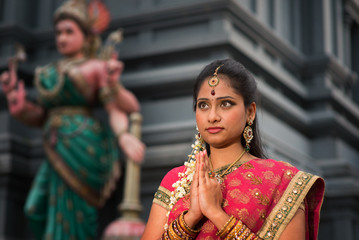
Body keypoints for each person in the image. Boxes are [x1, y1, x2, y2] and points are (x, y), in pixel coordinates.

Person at [0, 0, 145, 239]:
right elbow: (40, 116)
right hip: (54, 148)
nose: (62, 38)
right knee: (34, 208)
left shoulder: (97, 67)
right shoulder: (49, 72)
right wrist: (19, 106)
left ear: (87, 37)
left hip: (84, 148)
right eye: (58, 32)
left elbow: (118, 107)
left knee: (78, 215)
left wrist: (123, 136)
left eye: (69, 32)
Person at [141, 59, 325, 240]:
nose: (212, 116)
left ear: (250, 112)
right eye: (203, 105)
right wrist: (190, 218)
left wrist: (216, 214)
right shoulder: (175, 181)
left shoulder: (283, 181)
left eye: (226, 104)